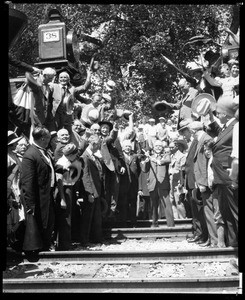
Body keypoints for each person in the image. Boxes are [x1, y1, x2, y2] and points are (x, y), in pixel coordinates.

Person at [206, 94, 238, 247]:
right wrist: (210, 115)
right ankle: (233, 244)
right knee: (228, 213)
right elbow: (218, 131)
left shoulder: (235, 127)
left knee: (235, 212)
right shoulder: (227, 127)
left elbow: (235, 152)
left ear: (225, 114)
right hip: (222, 176)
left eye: (218, 113)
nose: (217, 115)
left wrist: (234, 176)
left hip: (228, 176)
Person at [20, 126, 56, 252]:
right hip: (38, 197)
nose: (50, 141)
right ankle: (39, 249)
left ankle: (45, 246)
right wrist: (31, 204)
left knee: (48, 221)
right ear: (42, 139)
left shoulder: (44, 152)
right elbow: (27, 182)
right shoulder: (30, 155)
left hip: (48, 194)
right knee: (40, 223)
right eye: (48, 138)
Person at [54, 143, 82, 250]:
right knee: (65, 218)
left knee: (68, 217)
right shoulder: (62, 163)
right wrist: (62, 199)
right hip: (64, 190)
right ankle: (63, 244)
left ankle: (66, 242)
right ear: (71, 154)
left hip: (69, 189)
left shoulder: (68, 161)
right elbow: (59, 182)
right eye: (75, 155)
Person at [141, 140, 174, 228]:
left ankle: (171, 226)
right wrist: (147, 161)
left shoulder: (166, 155)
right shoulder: (150, 157)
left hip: (163, 184)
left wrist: (153, 159)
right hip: (153, 184)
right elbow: (145, 170)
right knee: (153, 206)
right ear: (154, 148)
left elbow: (167, 161)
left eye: (160, 146)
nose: (158, 147)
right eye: (156, 146)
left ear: (162, 148)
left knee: (167, 205)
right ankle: (154, 224)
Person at [80, 134, 105, 246]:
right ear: (93, 144)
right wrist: (89, 192)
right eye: (98, 145)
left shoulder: (93, 156)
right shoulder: (85, 157)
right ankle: (85, 241)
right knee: (87, 217)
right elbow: (85, 176)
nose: (99, 147)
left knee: (95, 217)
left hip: (96, 191)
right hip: (91, 191)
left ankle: (95, 239)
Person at [99, 120, 126, 220]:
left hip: (114, 167)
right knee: (105, 189)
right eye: (103, 128)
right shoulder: (98, 139)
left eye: (106, 128)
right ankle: (104, 211)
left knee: (115, 189)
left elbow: (120, 154)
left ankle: (112, 210)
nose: (105, 129)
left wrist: (122, 165)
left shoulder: (115, 139)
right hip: (103, 168)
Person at [117, 139, 141, 227]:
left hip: (133, 184)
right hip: (123, 184)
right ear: (123, 148)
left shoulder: (135, 157)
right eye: (126, 146)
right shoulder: (120, 157)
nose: (127, 148)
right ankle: (123, 223)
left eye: (129, 146)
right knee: (123, 203)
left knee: (133, 203)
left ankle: (133, 222)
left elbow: (138, 170)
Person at [169, 139, 188, 219]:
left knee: (179, 201)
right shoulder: (171, 156)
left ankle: (182, 219)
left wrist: (182, 183)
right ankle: (176, 219)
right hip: (171, 180)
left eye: (172, 147)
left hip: (178, 181)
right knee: (172, 201)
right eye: (169, 147)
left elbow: (182, 171)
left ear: (177, 147)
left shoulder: (182, 156)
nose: (170, 149)